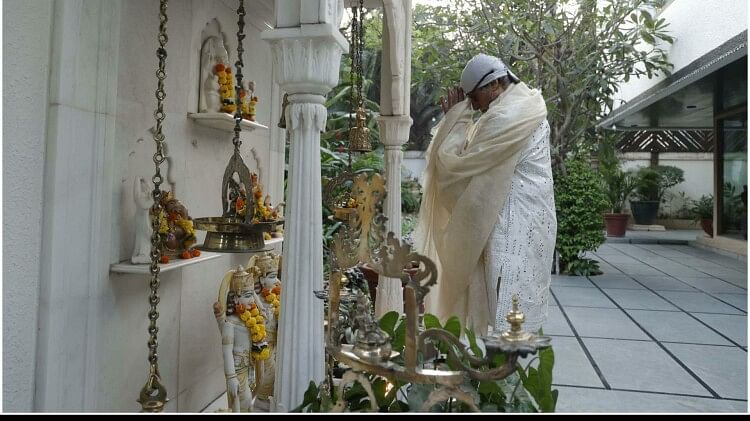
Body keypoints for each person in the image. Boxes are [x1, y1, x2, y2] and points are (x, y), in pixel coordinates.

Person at [414, 53, 556, 335]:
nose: (471, 104)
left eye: (473, 96)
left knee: (510, 315)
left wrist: (455, 119)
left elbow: (457, 169)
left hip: (515, 225)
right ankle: (501, 373)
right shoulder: (524, 106)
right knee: (510, 317)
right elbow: (470, 161)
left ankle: (503, 374)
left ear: (493, 84)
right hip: (523, 222)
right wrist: (459, 118)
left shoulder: (507, 117)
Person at [213, 265, 268, 412]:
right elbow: (226, 351)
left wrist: (259, 305)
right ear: (236, 298)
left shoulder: (251, 318)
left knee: (249, 402)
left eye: (252, 295)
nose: (252, 300)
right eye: (248, 296)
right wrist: (231, 377)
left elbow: (255, 298)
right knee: (244, 401)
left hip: (250, 365)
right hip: (237, 369)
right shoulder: (231, 323)